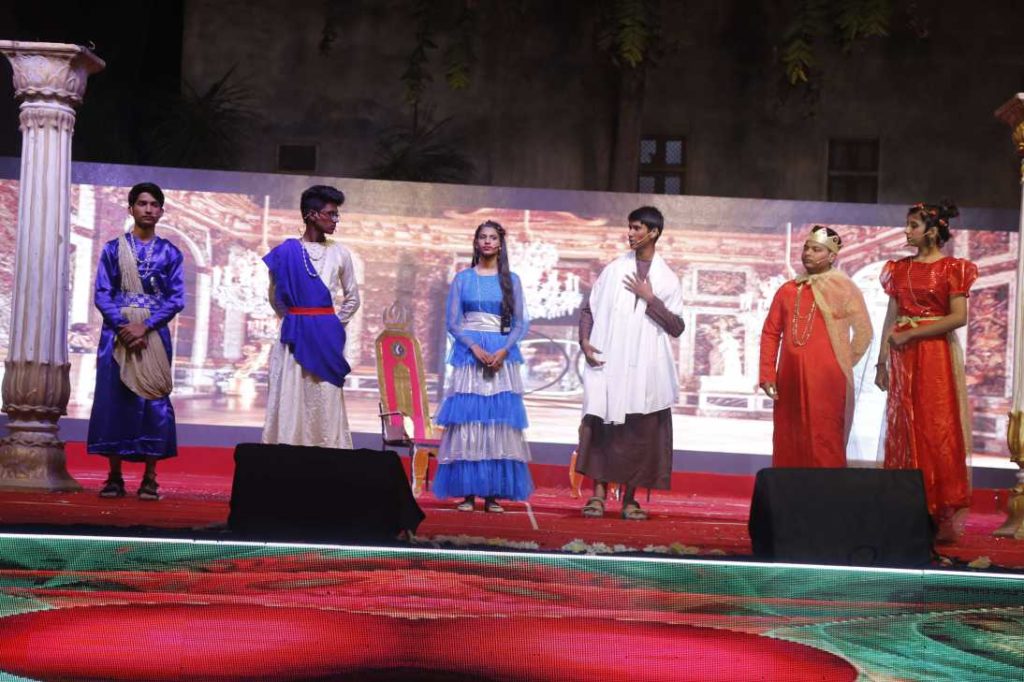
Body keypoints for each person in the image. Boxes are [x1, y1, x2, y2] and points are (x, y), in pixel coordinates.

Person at [875, 201, 977, 543]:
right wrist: (882, 360)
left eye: (913, 225)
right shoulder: (898, 269)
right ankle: (907, 506)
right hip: (903, 356)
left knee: (935, 425)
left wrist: (913, 334)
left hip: (933, 355)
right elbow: (891, 317)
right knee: (904, 426)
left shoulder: (952, 268)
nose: (907, 231)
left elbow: (958, 317)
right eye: (907, 225)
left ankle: (936, 506)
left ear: (932, 232)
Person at [576, 206, 686, 520]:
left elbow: (677, 327)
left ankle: (630, 500)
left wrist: (650, 298)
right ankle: (597, 495)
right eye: (630, 227)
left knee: (640, 431)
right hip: (610, 360)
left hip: (647, 368)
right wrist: (585, 341)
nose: (631, 233)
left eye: (638, 228)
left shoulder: (667, 278)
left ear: (654, 232)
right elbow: (589, 310)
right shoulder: (614, 270)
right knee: (604, 426)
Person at [88, 183, 185, 500]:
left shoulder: (171, 253)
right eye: (142, 203)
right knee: (115, 400)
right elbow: (102, 294)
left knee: (153, 402)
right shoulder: (112, 249)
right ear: (131, 209)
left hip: (153, 334)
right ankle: (114, 477)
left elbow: (176, 299)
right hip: (116, 335)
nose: (148, 209)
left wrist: (146, 326)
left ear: (161, 211)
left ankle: (150, 479)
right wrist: (123, 326)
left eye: (154, 204)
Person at [433, 220, 533, 512]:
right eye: (483, 237)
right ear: (476, 243)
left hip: (501, 354)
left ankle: (492, 494)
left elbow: (520, 322)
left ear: (500, 245)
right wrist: (474, 347)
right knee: (469, 421)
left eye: (493, 238)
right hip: (470, 355)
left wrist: (503, 350)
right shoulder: (463, 278)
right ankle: (467, 492)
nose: (488, 242)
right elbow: (453, 322)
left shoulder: (511, 280)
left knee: (497, 422)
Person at [758, 226, 873, 467]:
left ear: (832, 256)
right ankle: (788, 490)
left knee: (825, 438)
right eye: (806, 248)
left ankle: (826, 491)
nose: (808, 253)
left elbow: (864, 333)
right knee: (789, 437)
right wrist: (767, 374)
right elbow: (770, 332)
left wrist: (841, 363)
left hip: (827, 381)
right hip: (789, 378)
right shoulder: (787, 290)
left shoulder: (844, 288)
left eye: (816, 249)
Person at [262, 185, 360, 448]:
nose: (336, 220)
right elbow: (276, 297)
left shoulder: (340, 253)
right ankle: (288, 459)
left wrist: (330, 326)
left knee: (325, 399)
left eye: (337, 214)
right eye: (331, 214)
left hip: (325, 340)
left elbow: (353, 298)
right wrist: (297, 321)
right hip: (293, 338)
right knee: (291, 397)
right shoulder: (285, 252)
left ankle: (327, 459)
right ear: (312, 214)